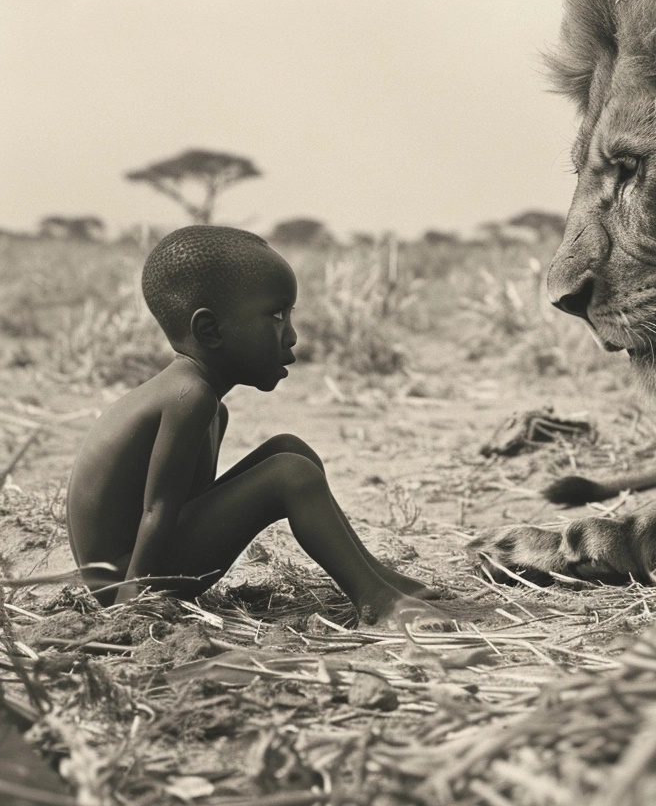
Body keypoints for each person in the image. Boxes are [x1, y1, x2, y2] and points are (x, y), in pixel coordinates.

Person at [66, 225, 445, 624]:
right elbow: (156, 512)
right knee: (289, 474)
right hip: (129, 581)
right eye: (276, 316)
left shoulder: (206, 403)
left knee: (290, 448)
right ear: (209, 330)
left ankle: (378, 578)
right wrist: (133, 608)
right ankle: (378, 604)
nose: (292, 335)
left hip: (142, 567)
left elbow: (181, 505)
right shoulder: (188, 399)